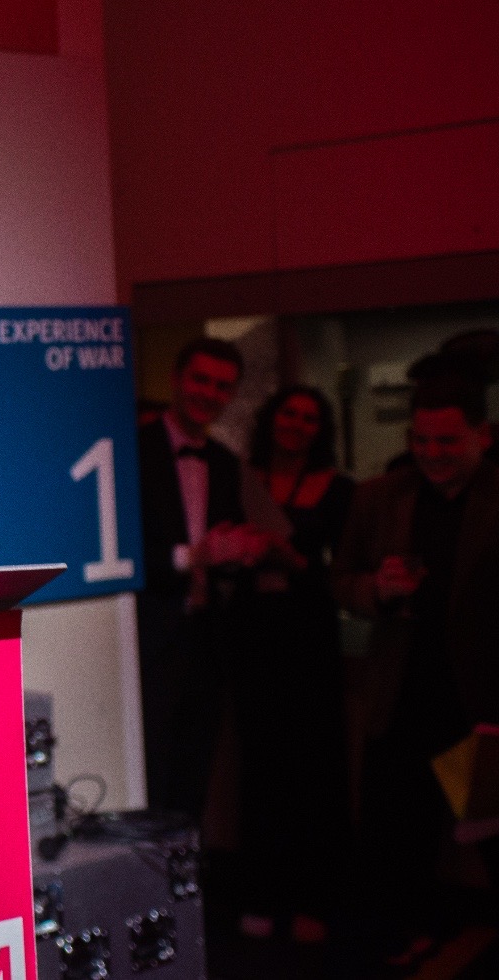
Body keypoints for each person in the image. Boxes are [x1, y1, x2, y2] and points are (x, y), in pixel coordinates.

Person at [334, 372, 499, 969]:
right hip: (400, 697)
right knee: (394, 839)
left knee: (491, 838)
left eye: (447, 441)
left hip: (481, 706)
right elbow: (341, 581)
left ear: (483, 434)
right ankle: (409, 942)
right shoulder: (380, 496)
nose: (431, 453)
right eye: (422, 439)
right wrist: (376, 589)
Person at [230, 387, 354, 943]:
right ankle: (259, 896)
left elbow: (343, 573)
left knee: (313, 773)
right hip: (253, 640)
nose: (297, 425)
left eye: (309, 418)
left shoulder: (342, 489)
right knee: (259, 772)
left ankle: (315, 903)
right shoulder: (237, 476)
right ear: (271, 418)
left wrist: (292, 558)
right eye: (289, 413)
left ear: (320, 428)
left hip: (311, 645)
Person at [135, 337, 268, 820]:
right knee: (149, 773)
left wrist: (239, 554)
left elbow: (220, 548)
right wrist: (193, 555)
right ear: (176, 379)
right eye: (201, 380)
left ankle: (185, 885)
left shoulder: (227, 463)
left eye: (222, 386)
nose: (209, 393)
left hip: (207, 641)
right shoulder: (133, 450)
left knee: (195, 776)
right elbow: (121, 553)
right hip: (149, 638)